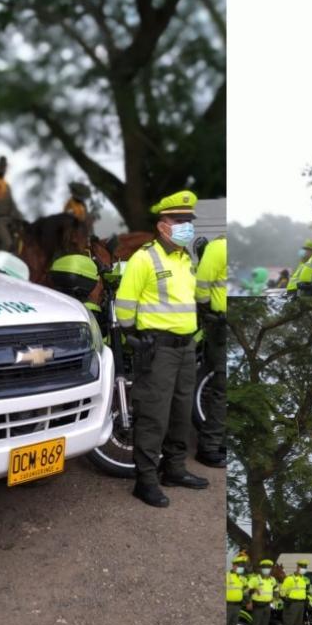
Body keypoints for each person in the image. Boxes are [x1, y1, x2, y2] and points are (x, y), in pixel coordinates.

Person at [114, 190, 210, 507]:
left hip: (185, 349)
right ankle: (146, 480)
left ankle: (175, 469)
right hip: (157, 349)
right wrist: (132, 335)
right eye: (179, 220)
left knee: (181, 414)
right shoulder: (144, 258)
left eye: (189, 221)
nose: (186, 226)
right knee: (154, 415)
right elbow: (124, 303)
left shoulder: (186, 260)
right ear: (162, 225)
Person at [194, 234, 227, 469]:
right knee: (221, 389)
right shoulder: (219, 247)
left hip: (226, 323)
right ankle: (209, 447)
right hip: (220, 324)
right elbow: (202, 287)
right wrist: (210, 314)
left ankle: (219, 440)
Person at [247, 559, 278, 625]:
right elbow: (246, 591)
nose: (266, 569)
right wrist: (249, 602)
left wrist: (275, 597)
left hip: (267, 606)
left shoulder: (272, 579)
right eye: (264, 567)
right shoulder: (255, 579)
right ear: (261, 569)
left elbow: (276, 589)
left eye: (268, 568)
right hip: (257, 606)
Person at [280, 559, 310, 625]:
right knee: (289, 624)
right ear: (297, 567)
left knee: (297, 624)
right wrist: (286, 600)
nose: (303, 569)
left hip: (301, 604)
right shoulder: (290, 578)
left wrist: (306, 600)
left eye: (305, 567)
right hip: (292, 604)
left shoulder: (303, 579)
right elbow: (282, 591)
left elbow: (304, 591)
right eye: (302, 567)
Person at [227, 555, 249, 625]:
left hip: (237, 606)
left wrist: (248, 602)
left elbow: (245, 592)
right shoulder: (227, 576)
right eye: (239, 565)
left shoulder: (243, 579)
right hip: (227, 606)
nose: (241, 567)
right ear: (233, 566)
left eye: (242, 565)